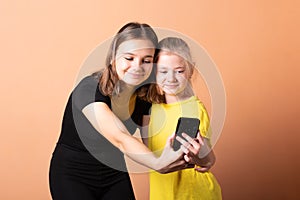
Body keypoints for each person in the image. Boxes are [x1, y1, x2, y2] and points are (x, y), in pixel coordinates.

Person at [49, 23, 189, 200]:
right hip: (73, 174)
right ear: (113, 57)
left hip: (113, 173)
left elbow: (150, 142)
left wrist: (188, 155)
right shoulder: (89, 88)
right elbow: (120, 137)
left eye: (146, 60)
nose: (137, 66)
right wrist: (157, 163)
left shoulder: (143, 97)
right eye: (129, 58)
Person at [144, 37, 222, 200]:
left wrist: (200, 158)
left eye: (179, 71)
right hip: (162, 194)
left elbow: (206, 157)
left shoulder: (194, 109)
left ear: (190, 70)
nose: (171, 79)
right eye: (163, 71)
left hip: (193, 194)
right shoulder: (150, 109)